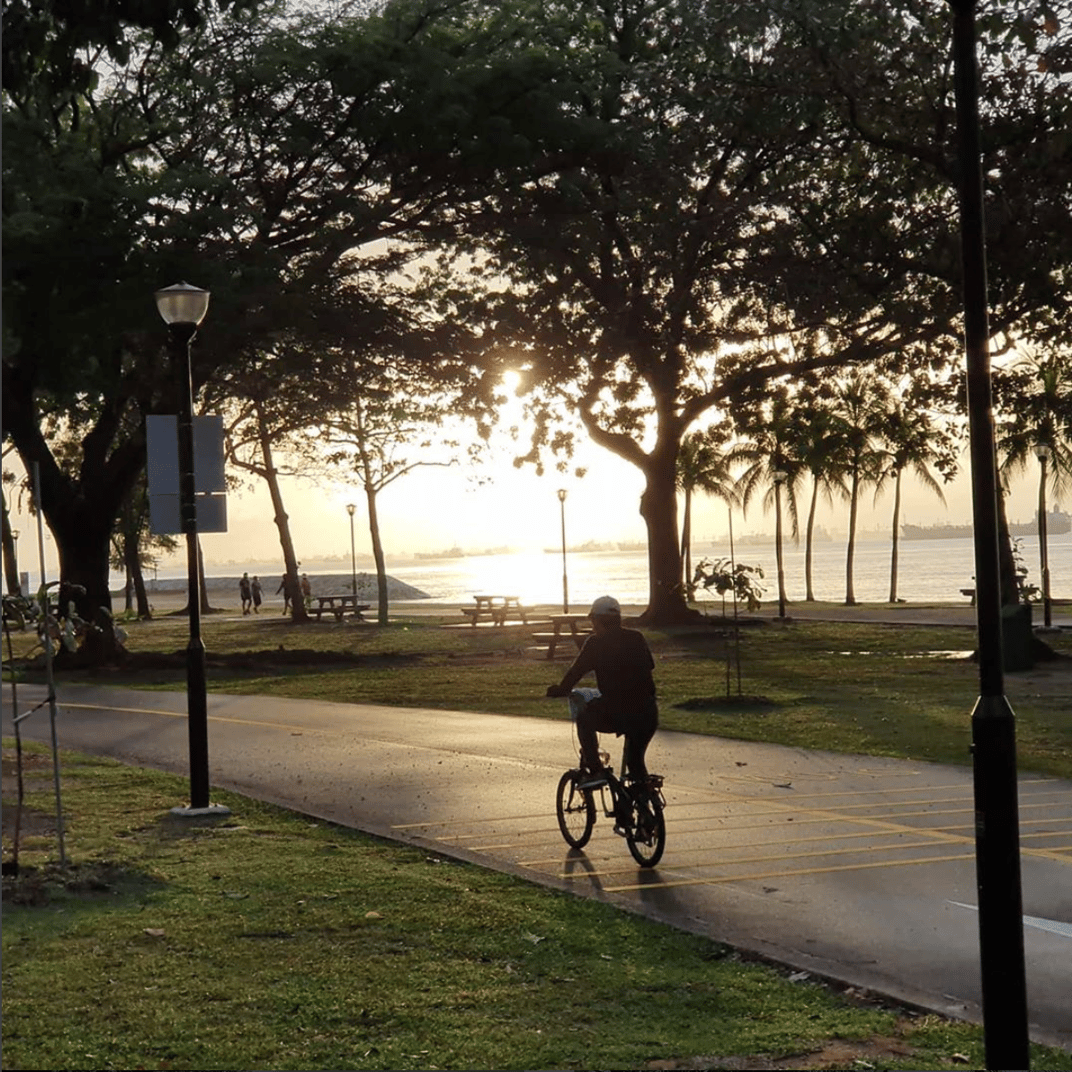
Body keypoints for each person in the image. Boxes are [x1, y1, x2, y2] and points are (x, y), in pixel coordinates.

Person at [545, 595, 658, 787]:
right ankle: (644, 808)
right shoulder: (636, 637)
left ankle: (596, 769)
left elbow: (575, 672)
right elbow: (649, 665)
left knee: (584, 719)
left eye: (593, 621)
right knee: (635, 762)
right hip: (647, 711)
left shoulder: (595, 643)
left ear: (597, 620)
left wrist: (559, 690)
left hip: (617, 710)